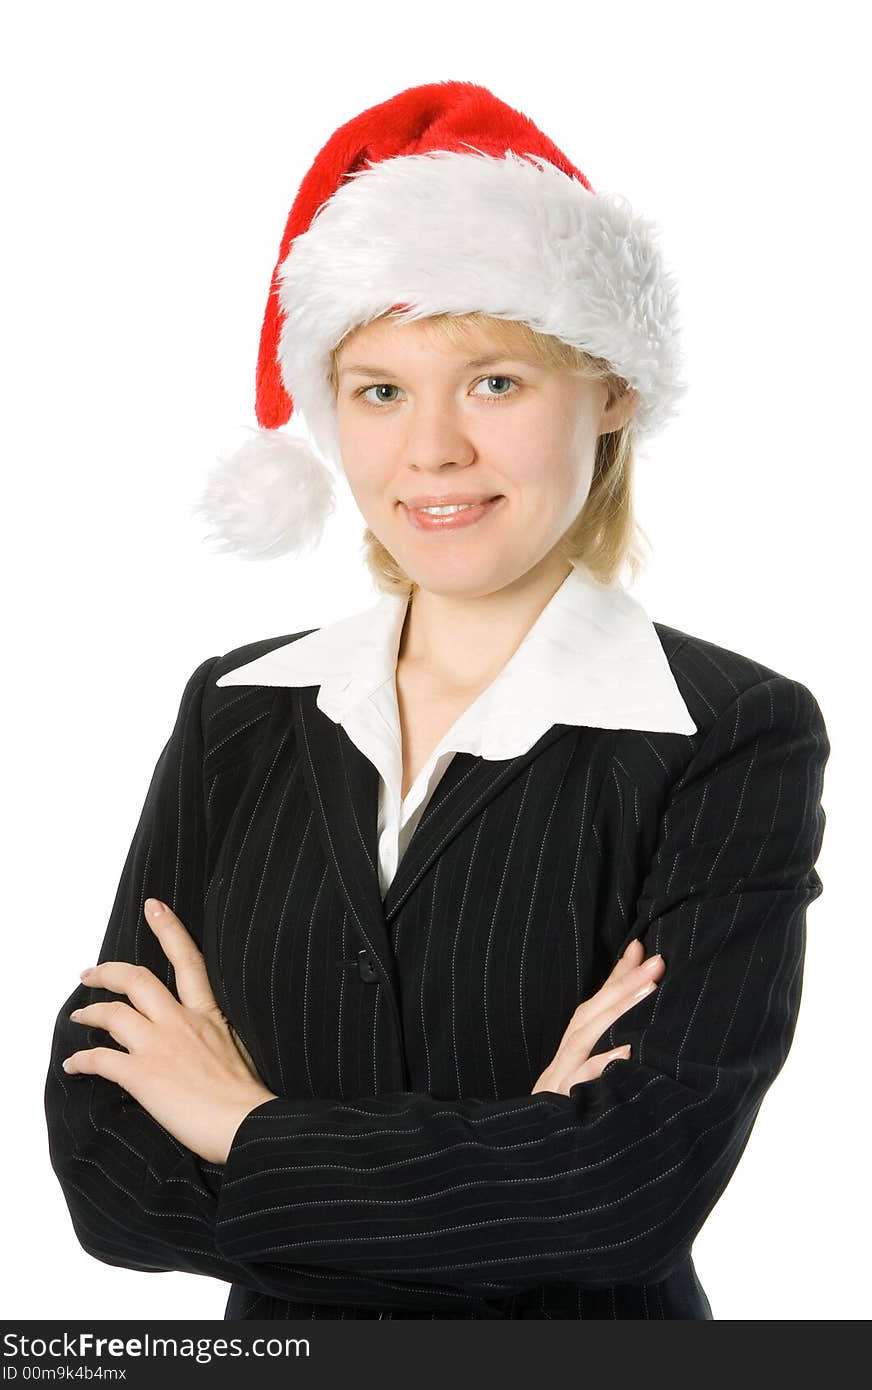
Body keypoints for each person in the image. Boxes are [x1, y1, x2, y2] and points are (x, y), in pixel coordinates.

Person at [44, 79, 830, 1321]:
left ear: (611, 389)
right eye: (380, 389)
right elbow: (106, 1172)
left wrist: (241, 1123)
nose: (432, 451)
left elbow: (628, 1190)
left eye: (496, 383)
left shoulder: (727, 732)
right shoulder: (238, 709)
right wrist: (517, 1146)